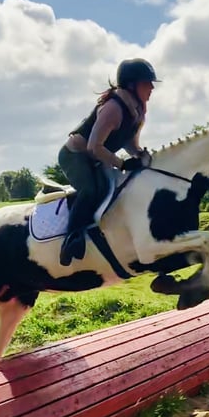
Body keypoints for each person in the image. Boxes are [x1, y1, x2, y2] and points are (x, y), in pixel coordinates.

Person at [57, 58, 159, 266]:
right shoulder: (113, 107)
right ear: (131, 85)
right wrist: (121, 164)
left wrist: (141, 156)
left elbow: (130, 144)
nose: (151, 88)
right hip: (75, 155)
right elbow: (93, 147)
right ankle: (71, 239)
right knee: (90, 190)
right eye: (146, 83)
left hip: (97, 157)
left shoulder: (138, 111)